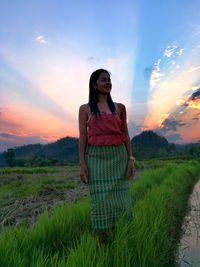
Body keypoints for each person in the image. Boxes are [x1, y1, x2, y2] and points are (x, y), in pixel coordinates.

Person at [78, 68, 136, 244]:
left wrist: (130, 159)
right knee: (100, 201)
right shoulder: (85, 109)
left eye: (109, 79)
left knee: (120, 200)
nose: (107, 82)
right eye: (103, 79)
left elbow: (125, 135)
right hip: (95, 158)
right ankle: (102, 244)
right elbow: (83, 137)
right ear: (94, 84)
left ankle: (122, 238)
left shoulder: (119, 108)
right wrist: (82, 164)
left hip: (118, 156)